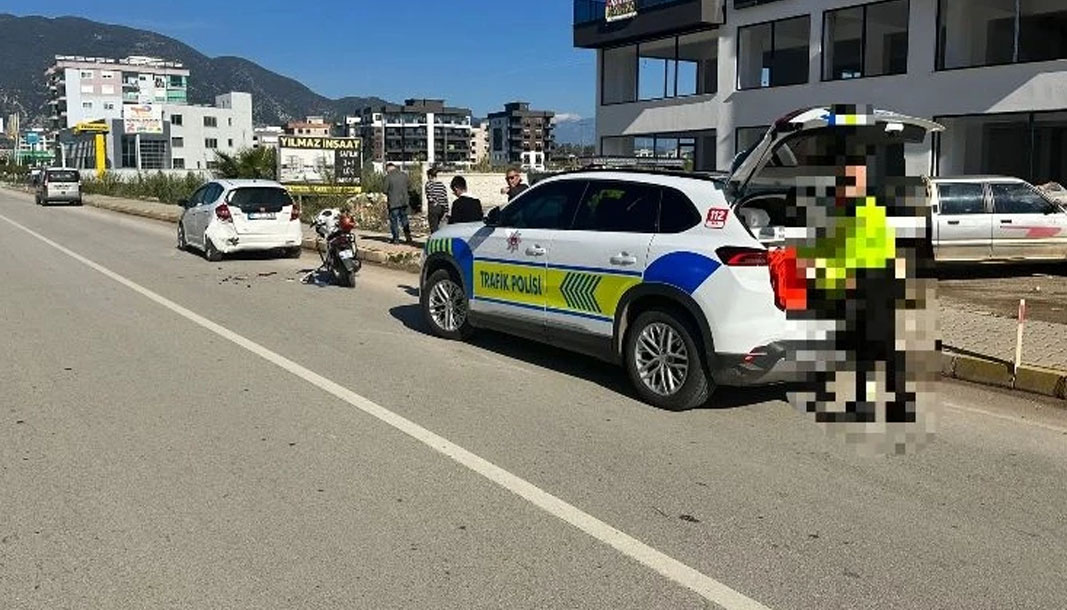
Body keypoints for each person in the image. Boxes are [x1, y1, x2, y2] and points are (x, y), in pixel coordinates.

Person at [384, 162, 412, 245]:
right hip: (404, 202)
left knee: (394, 221)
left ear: (388, 169)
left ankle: (396, 239)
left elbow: (384, 190)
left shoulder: (388, 177)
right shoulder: (404, 175)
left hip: (393, 203)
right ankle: (408, 237)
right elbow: (409, 186)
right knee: (405, 220)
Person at [425, 167, 449, 233]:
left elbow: (429, 196)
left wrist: (435, 201)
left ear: (430, 176)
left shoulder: (429, 184)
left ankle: (434, 241)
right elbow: (445, 197)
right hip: (442, 208)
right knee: (440, 227)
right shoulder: (442, 185)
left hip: (434, 207)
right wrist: (446, 209)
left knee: (434, 227)